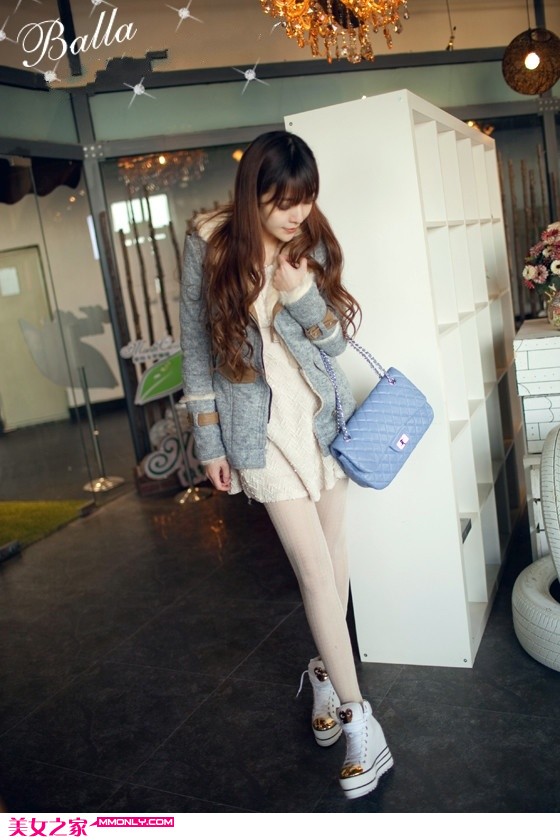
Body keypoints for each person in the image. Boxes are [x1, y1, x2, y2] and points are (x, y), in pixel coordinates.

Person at [180, 130, 393, 800]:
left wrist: (300, 291)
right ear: (254, 194)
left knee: (333, 558)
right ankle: (364, 723)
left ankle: (325, 675)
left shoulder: (312, 238)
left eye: (305, 199)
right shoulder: (210, 243)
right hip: (257, 429)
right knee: (312, 569)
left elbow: (334, 338)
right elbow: (196, 348)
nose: (296, 213)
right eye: (282, 201)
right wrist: (210, 444)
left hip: (320, 416)